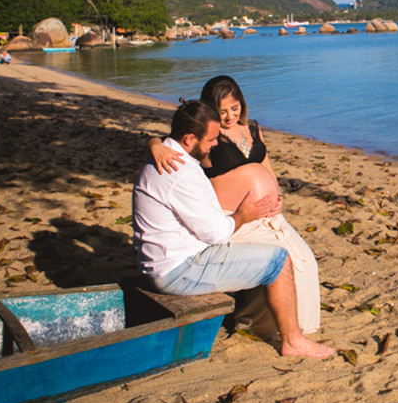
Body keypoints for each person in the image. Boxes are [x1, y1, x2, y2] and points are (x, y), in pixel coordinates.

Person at [133, 99, 332, 358]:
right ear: (190, 139)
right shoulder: (180, 171)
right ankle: (292, 341)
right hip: (181, 271)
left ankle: (264, 319)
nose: (216, 144)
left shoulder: (168, 155)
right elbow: (216, 233)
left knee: (260, 251)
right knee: (279, 260)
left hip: (169, 261)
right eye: (211, 139)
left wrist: (154, 143)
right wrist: (243, 215)